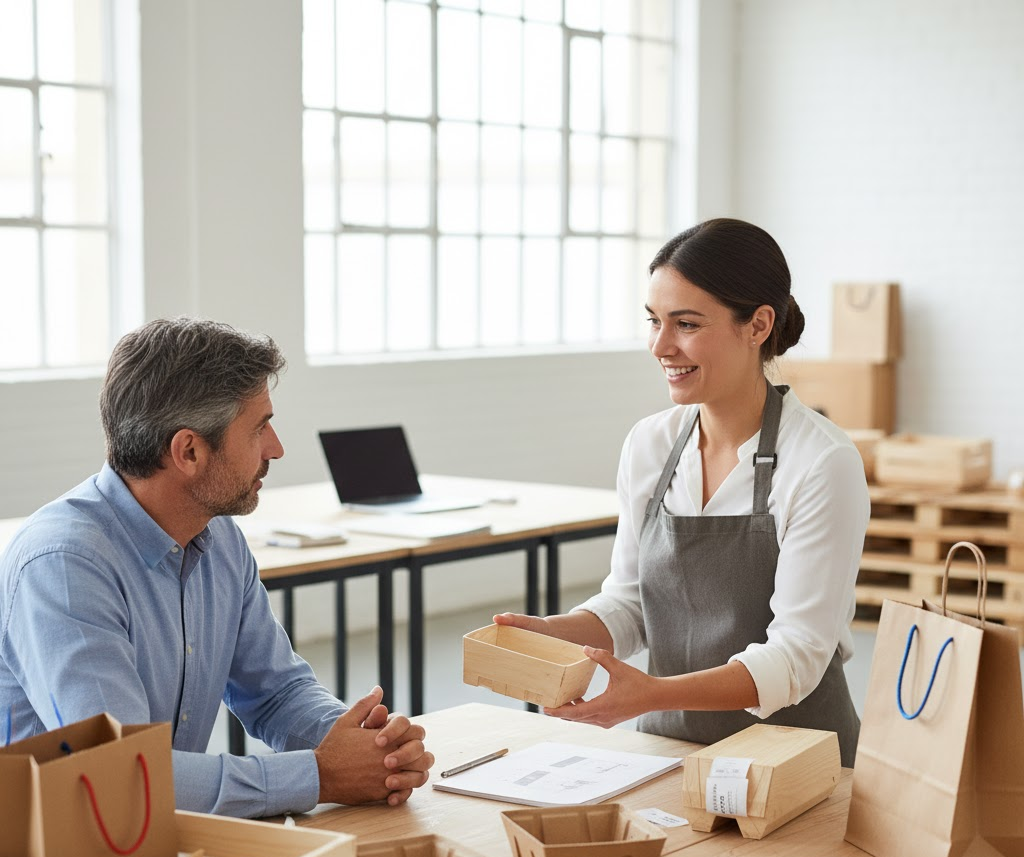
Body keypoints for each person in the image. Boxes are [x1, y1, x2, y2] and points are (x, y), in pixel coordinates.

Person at [0, 317, 434, 816]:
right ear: (189, 450)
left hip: (145, 839)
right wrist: (321, 775)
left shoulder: (218, 537)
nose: (276, 447)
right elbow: (120, 775)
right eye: (258, 428)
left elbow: (275, 692)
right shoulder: (64, 567)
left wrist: (369, 748)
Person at [495, 219, 866, 766]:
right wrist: (552, 634)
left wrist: (653, 694)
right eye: (653, 321)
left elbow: (796, 657)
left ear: (759, 324)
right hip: (665, 750)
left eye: (686, 324)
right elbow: (632, 604)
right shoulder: (650, 444)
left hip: (795, 762)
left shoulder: (821, 463)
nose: (661, 346)